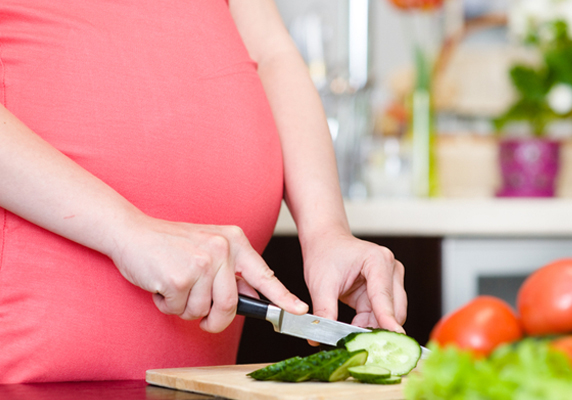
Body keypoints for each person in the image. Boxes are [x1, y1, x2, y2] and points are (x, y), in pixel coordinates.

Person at [0, 0, 407, 383]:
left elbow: (270, 53)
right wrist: (126, 230)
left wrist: (326, 230)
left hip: (199, 364)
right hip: (35, 356)